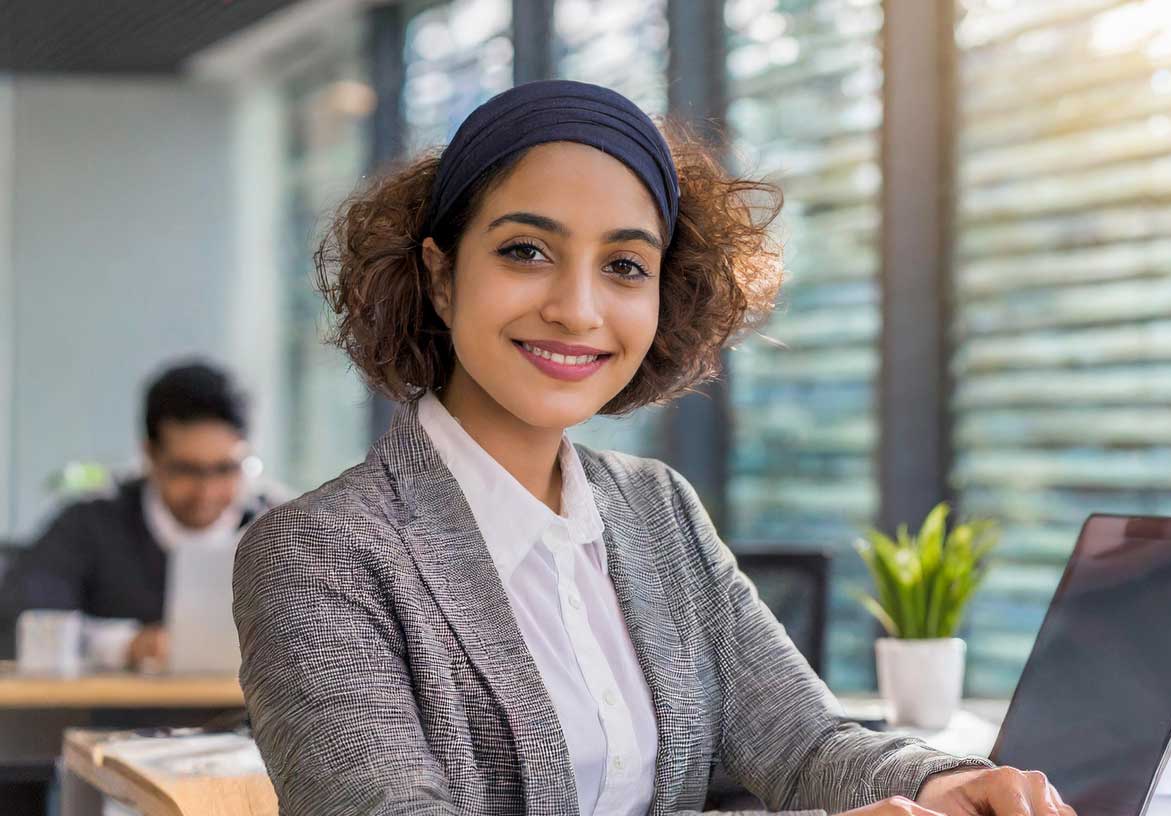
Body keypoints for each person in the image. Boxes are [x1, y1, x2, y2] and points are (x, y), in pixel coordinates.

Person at [233, 80, 1074, 816]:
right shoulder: (318, 555)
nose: (577, 308)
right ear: (442, 275)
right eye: (526, 251)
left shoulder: (656, 508)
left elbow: (803, 742)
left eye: (625, 266)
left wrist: (947, 782)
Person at [0, 361, 278, 668]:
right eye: (187, 470)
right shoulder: (90, 526)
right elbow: (20, 623)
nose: (207, 492)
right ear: (150, 456)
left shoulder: (281, 528)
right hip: (117, 715)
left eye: (226, 469)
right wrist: (125, 646)